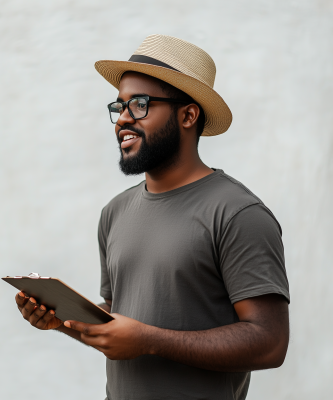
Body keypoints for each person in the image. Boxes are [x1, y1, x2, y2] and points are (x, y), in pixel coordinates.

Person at [15, 34, 290, 400]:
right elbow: (117, 324)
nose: (122, 120)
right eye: (119, 107)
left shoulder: (238, 214)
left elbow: (269, 343)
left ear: (188, 115)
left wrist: (150, 341)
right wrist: (62, 321)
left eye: (139, 105)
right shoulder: (114, 213)